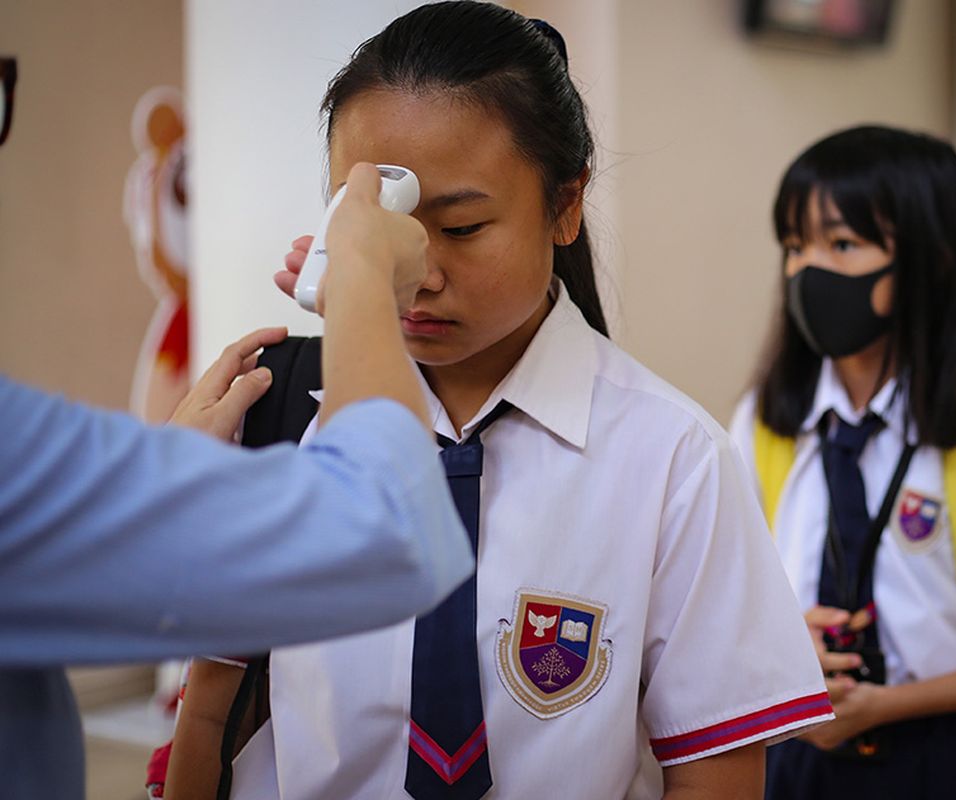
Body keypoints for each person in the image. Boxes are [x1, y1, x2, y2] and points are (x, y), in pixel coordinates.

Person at [166, 4, 831, 799]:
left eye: (463, 226)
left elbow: (715, 776)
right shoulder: (272, 422)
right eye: (383, 231)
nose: (419, 273)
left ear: (565, 205)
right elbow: (213, 721)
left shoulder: (673, 462)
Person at [0, 164, 473, 798]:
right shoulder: (289, 401)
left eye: (464, 227)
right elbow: (389, 529)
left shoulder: (649, 442)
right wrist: (363, 275)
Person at [728, 125, 956, 799]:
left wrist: (885, 706)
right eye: (794, 245)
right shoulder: (762, 425)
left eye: (841, 244)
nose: (808, 270)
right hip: (801, 758)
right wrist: (780, 644)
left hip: (949, 758)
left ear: (930, 259)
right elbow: (727, 606)